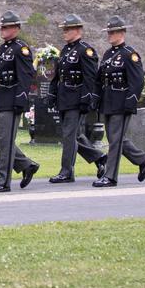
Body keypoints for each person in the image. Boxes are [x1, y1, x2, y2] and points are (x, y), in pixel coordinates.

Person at [92, 15, 145, 188]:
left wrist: (130, 101)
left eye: (113, 32)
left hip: (121, 102)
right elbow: (100, 79)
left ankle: (110, 176)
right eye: (109, 32)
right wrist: (96, 98)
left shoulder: (130, 55)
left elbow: (137, 81)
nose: (109, 35)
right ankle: (142, 159)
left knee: (115, 139)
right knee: (114, 138)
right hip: (108, 101)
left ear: (122, 32)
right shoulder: (108, 54)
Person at [0, 11, 40, 193]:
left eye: (6, 27)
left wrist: (20, 100)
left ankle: (3, 180)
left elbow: (26, 77)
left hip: (11, 99)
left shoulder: (21, 49)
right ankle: (26, 164)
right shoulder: (2, 49)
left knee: (6, 141)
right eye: (2, 27)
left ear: (16, 28)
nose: (2, 30)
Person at [46, 14, 107, 183]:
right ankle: (100, 158)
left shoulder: (85, 50)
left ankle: (66, 171)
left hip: (76, 98)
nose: (64, 32)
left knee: (69, 135)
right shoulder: (66, 50)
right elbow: (58, 75)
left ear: (78, 30)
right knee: (75, 135)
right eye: (64, 29)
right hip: (64, 97)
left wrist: (86, 98)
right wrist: (52, 92)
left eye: (68, 29)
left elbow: (90, 78)